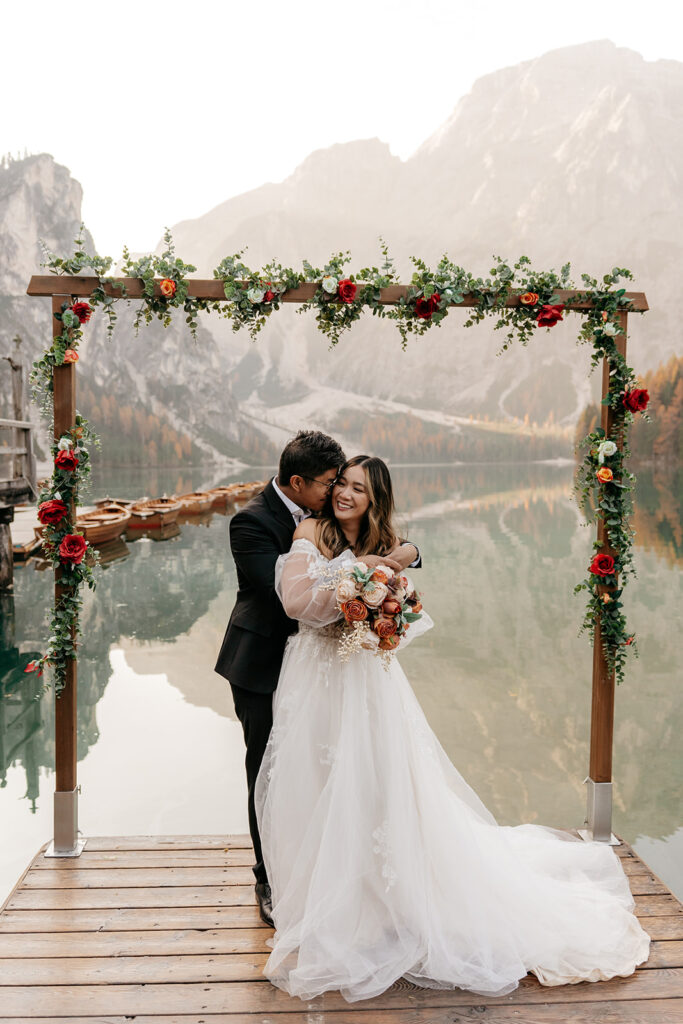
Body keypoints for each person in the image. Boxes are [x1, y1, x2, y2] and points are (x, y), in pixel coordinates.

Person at [253, 454, 651, 1003]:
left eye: (358, 488)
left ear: (375, 499)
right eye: (341, 482)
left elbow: (403, 584)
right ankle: (330, 900)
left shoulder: (387, 541)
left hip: (364, 678)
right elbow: (298, 602)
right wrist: (364, 574)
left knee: (378, 784)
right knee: (315, 781)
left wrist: (384, 587)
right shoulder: (312, 531)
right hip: (316, 675)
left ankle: (383, 902)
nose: (344, 493)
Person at [214, 433, 420, 927]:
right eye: (331, 483)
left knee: (341, 767)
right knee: (270, 771)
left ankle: (345, 869)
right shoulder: (252, 522)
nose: (337, 492)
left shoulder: (328, 513)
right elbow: (287, 596)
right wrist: (360, 573)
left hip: (331, 666)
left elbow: (382, 533)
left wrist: (402, 556)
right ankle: (269, 877)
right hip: (264, 661)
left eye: (344, 483)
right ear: (298, 483)